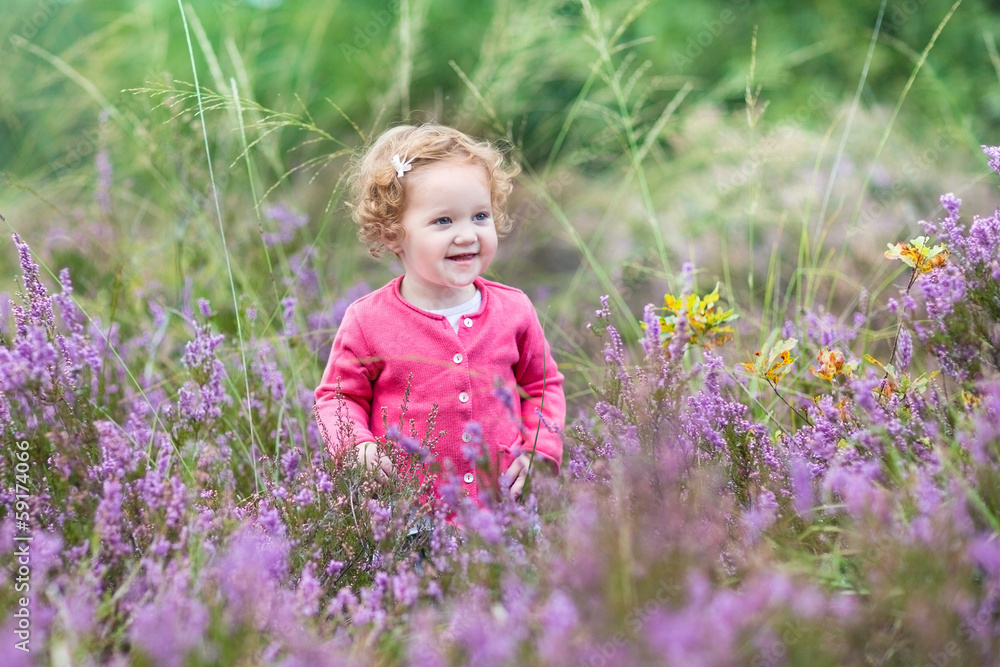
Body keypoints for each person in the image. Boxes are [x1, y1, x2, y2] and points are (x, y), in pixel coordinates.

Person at [314, 123, 565, 505]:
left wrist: (540, 450)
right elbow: (336, 399)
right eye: (443, 221)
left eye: (480, 216)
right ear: (393, 234)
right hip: (409, 516)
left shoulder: (514, 310)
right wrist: (356, 447)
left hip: (501, 511)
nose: (467, 235)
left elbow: (542, 387)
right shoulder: (368, 321)